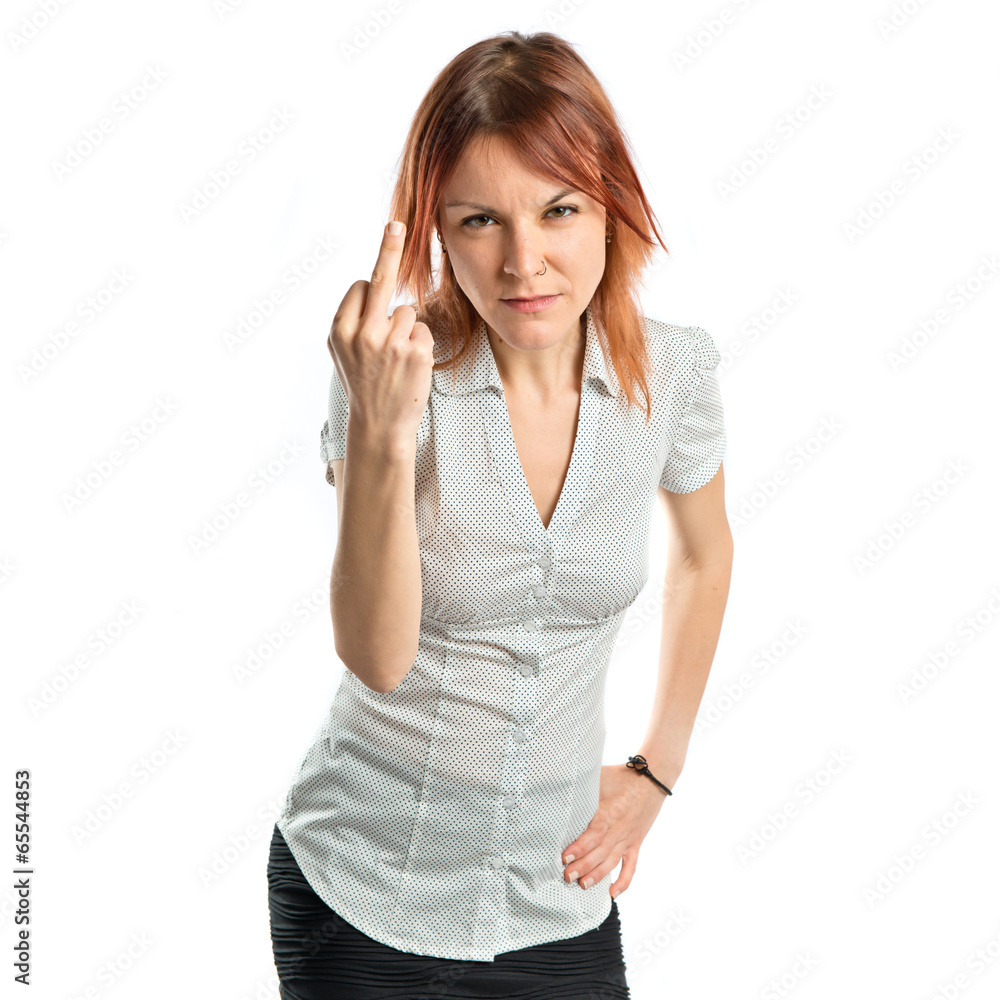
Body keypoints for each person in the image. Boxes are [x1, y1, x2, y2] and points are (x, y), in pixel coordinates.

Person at [267, 29, 733, 1000]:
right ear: (437, 230)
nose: (524, 261)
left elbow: (704, 551)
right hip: (363, 892)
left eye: (558, 210)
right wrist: (388, 442)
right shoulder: (392, 376)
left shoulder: (675, 371)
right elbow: (378, 652)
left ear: (611, 206)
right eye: (479, 221)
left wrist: (658, 766)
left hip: (551, 897)